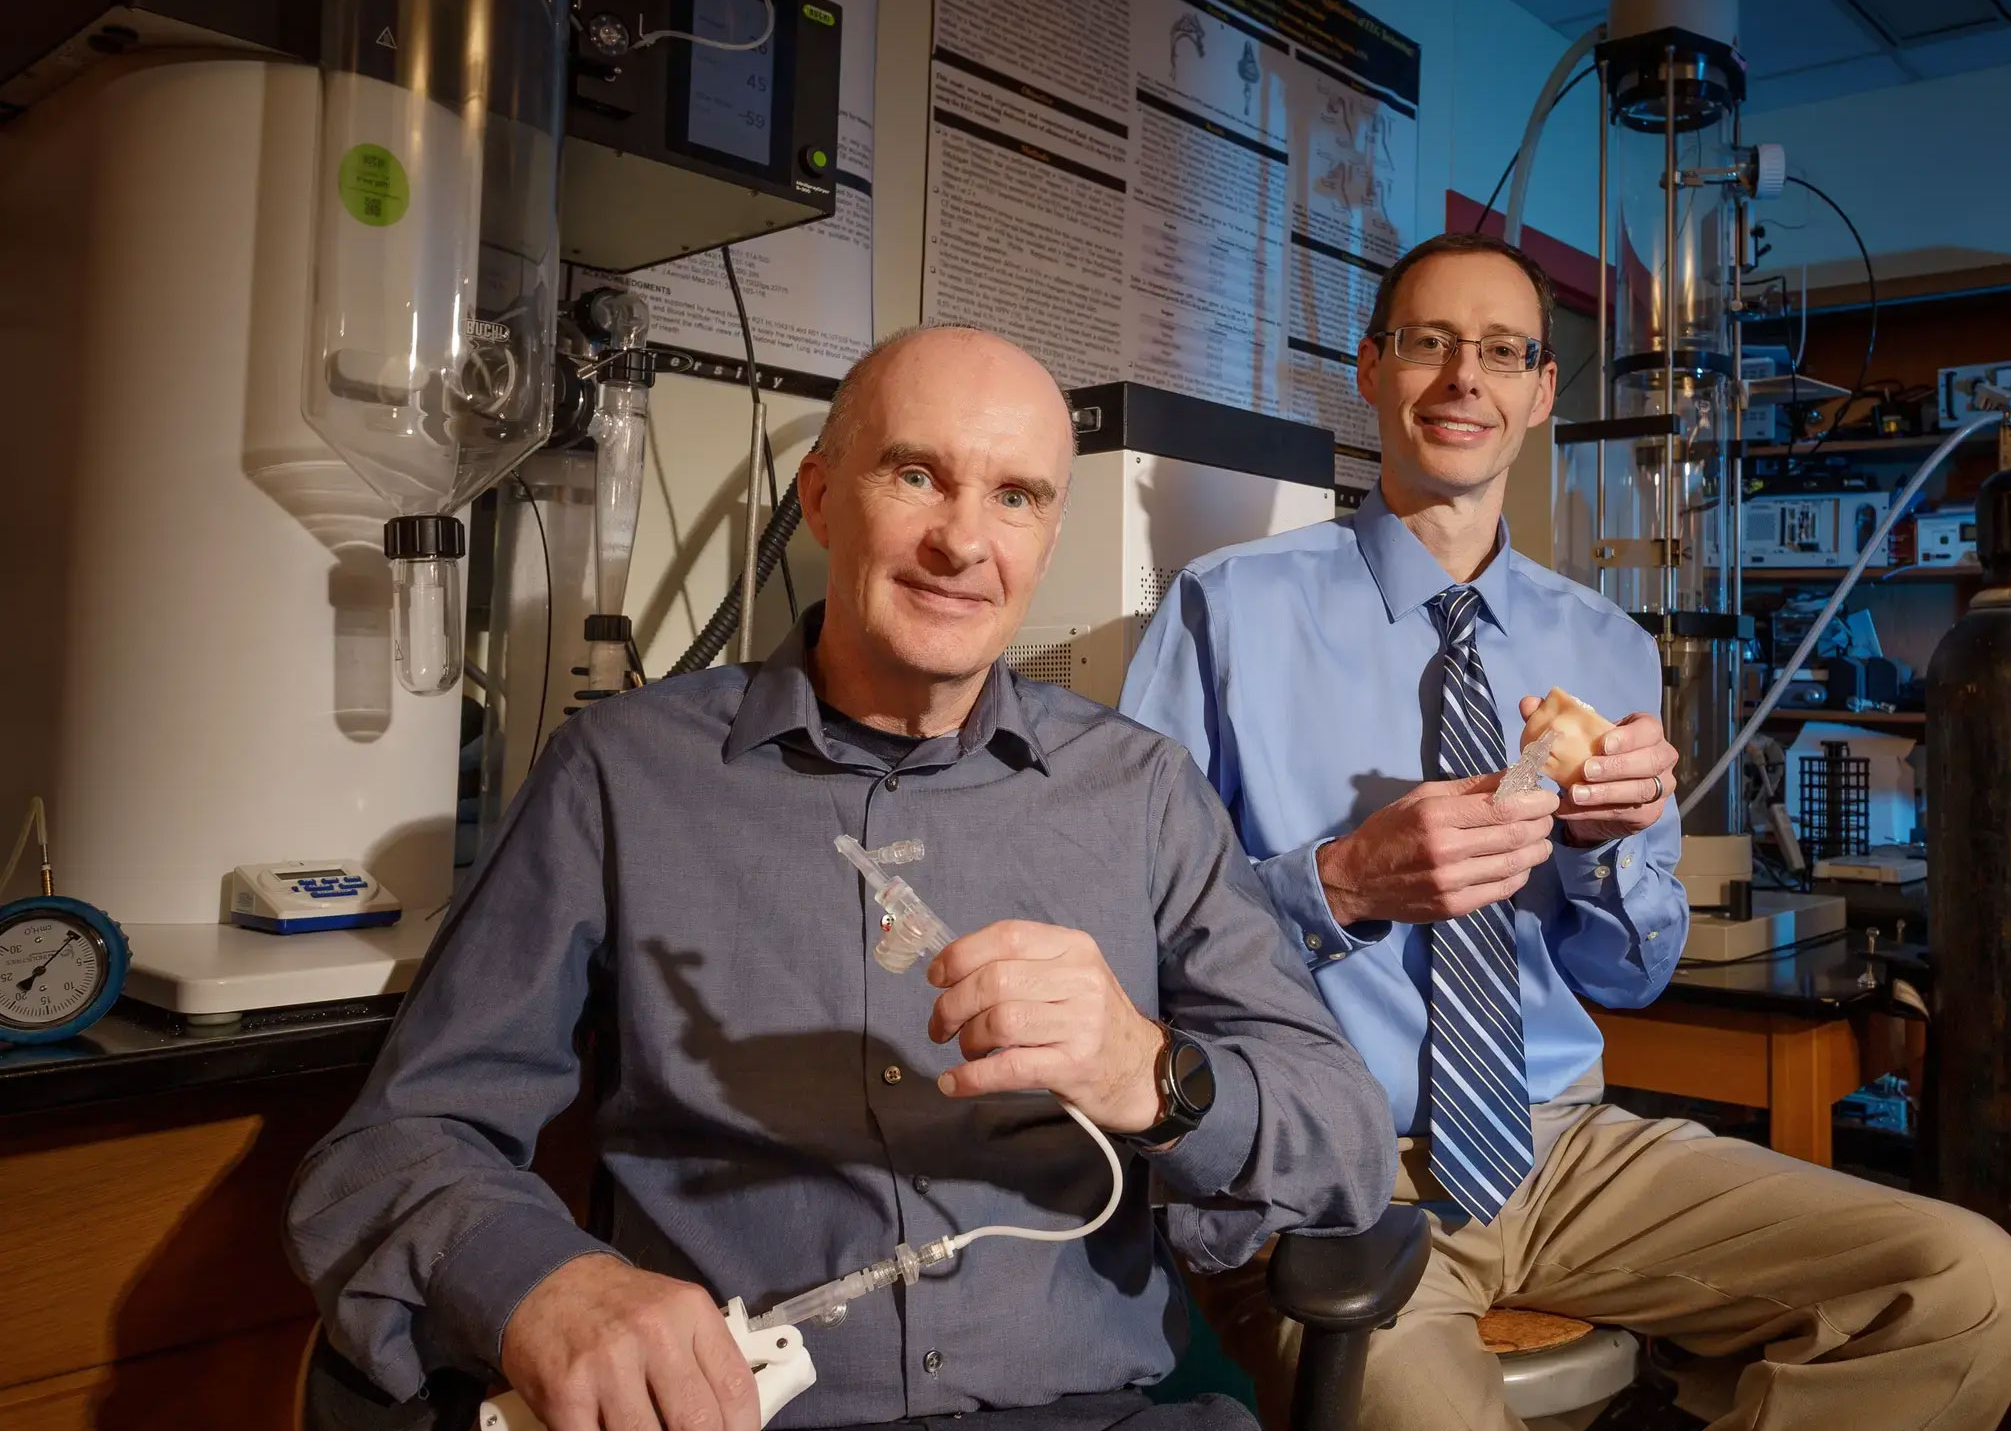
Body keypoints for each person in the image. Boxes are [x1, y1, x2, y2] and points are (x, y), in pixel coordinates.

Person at [287, 326, 1395, 1431]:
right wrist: (544, 1282)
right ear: (820, 500)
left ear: (1048, 539)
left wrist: (1150, 1072)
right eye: (917, 475)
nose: (964, 542)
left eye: (1015, 498)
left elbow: (1341, 1136)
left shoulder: (1141, 791)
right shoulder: (623, 775)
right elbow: (399, 1141)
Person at [1121, 234, 2011, 1431]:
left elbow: (1632, 971)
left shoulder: (1604, 644)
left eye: (1502, 352)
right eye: (1428, 343)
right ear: (1369, 367)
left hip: (1562, 1149)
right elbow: (1134, 937)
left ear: (1541, 394)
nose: (1464, 378)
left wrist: (1609, 848)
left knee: (1968, 1286)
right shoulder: (1225, 608)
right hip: (1327, 1172)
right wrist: (1340, 883)